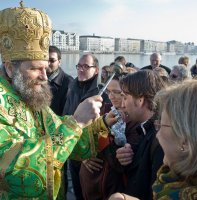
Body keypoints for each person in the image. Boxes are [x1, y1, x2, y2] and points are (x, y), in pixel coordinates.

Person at [0, 3, 117, 199]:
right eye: (36, 69)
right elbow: (20, 174)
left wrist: (101, 124)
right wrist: (76, 122)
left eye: (46, 68)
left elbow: (63, 137)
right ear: (10, 68)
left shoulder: (29, 94)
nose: (45, 77)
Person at [79, 73, 141, 200]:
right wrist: (83, 155)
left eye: (117, 92)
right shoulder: (102, 110)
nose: (111, 96)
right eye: (109, 91)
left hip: (114, 185)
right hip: (90, 181)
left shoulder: (135, 120)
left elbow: (121, 162)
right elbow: (79, 137)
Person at [62, 54, 110, 200]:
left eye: (86, 66)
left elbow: (104, 129)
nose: (81, 70)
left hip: (91, 158)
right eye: (79, 66)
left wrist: (86, 154)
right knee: (76, 192)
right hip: (72, 151)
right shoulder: (72, 87)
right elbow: (66, 116)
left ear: (96, 70)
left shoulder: (102, 95)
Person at [113, 70, 165, 200]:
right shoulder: (148, 130)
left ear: (140, 100)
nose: (122, 105)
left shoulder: (161, 139)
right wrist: (129, 156)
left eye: (125, 97)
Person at [47, 45, 73, 116]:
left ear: (59, 62)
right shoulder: (38, 79)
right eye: (45, 60)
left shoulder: (68, 83)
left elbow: (67, 113)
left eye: (52, 60)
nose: (48, 63)